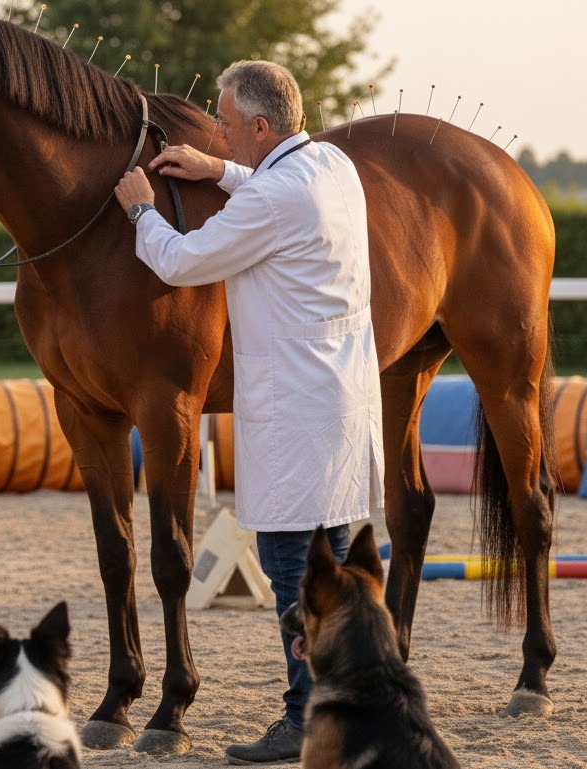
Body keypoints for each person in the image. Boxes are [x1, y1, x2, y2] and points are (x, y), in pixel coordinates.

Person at [114, 60, 384, 764]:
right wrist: (219, 169)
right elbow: (276, 190)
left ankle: (305, 718)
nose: (218, 130)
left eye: (227, 122)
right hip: (340, 397)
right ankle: (354, 705)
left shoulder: (271, 197)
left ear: (261, 126)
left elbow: (181, 261)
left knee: (294, 570)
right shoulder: (332, 164)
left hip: (295, 407)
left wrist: (141, 209)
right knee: (340, 565)